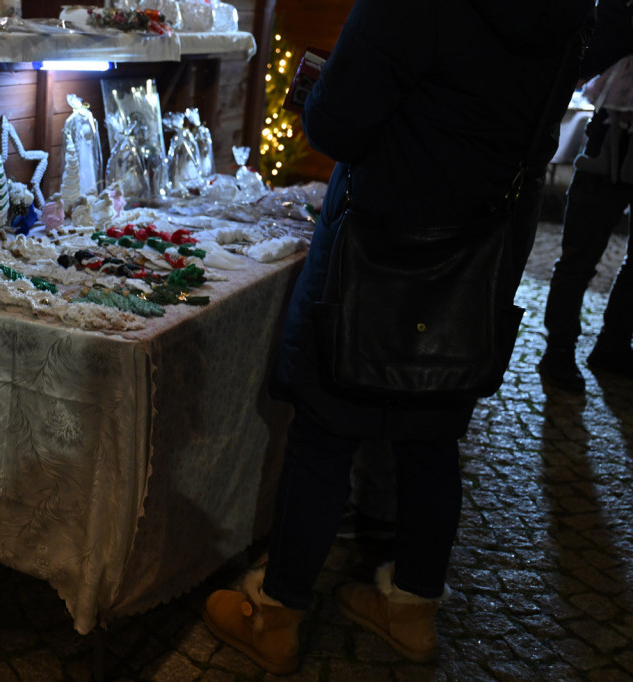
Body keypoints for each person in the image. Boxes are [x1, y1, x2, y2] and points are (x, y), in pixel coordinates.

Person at [201, 0, 593, 674]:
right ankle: (412, 611)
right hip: (472, 262)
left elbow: (337, 121)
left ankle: (275, 615)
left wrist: (317, 90)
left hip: (375, 251)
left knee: (324, 432)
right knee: (433, 438)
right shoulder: (567, 11)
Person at [539, 0, 633, 393]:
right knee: (579, 256)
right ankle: (559, 351)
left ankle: (611, 345)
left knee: (582, 257)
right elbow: (587, 54)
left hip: (611, 136)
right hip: (611, 139)